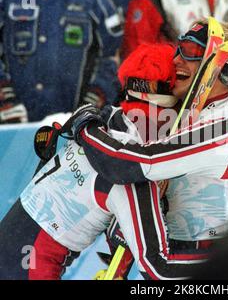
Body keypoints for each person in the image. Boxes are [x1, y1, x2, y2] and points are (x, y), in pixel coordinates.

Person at [71, 18, 228, 278]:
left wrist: (86, 127)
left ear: (220, 64)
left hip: (203, 267)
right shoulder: (185, 115)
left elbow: (131, 164)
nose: (176, 60)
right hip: (174, 260)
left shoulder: (223, 127)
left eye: (190, 51)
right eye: (178, 49)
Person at [0, 43, 180, 279]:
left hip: (12, 239)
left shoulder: (106, 119)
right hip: (32, 266)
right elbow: (156, 265)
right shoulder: (128, 167)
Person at [0, 0, 127, 123]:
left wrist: (90, 106)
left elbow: (112, 56)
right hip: (12, 127)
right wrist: (6, 101)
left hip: (73, 130)